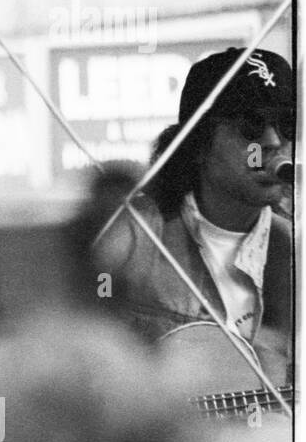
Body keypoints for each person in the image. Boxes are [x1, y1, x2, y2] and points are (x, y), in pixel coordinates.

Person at [95, 47, 294, 373]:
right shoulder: (136, 236)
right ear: (198, 144)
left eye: (287, 124)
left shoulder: (293, 249)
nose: (273, 141)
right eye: (252, 126)